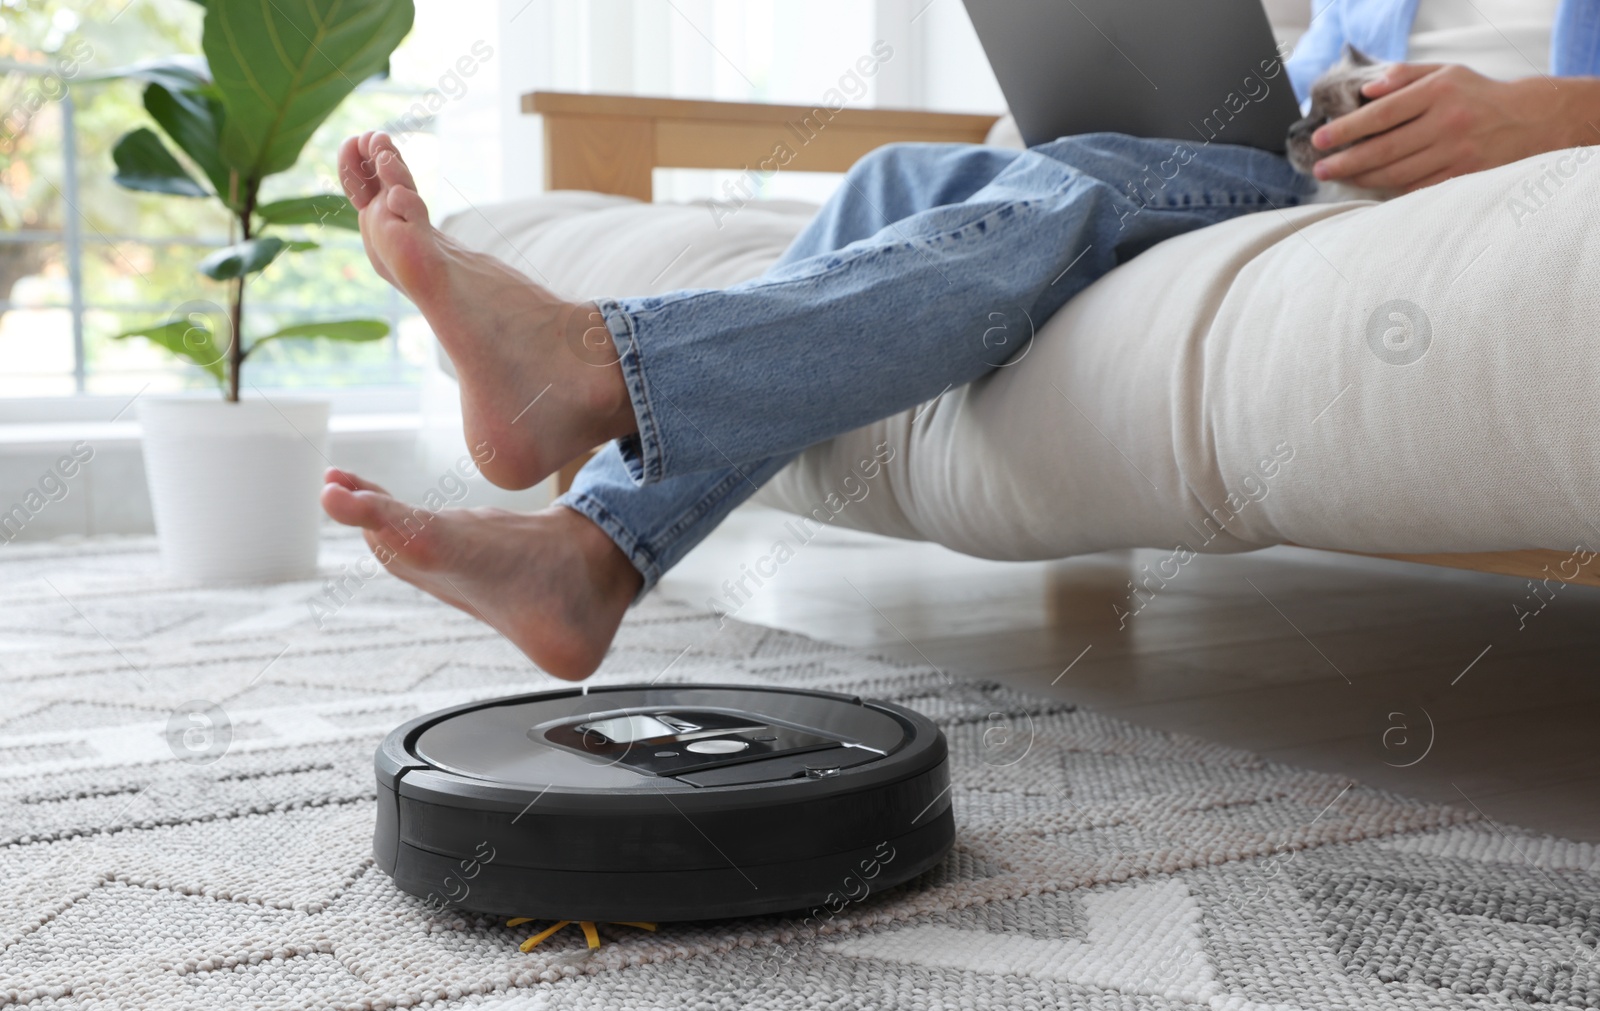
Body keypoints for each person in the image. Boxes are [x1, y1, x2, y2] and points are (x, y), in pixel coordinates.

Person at [322, 0, 1600, 680]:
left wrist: (1554, 115)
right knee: (895, 181)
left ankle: (600, 365)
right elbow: (1316, 72)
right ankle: (588, 555)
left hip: (1441, 178)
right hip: (1298, 151)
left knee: (1082, 178)